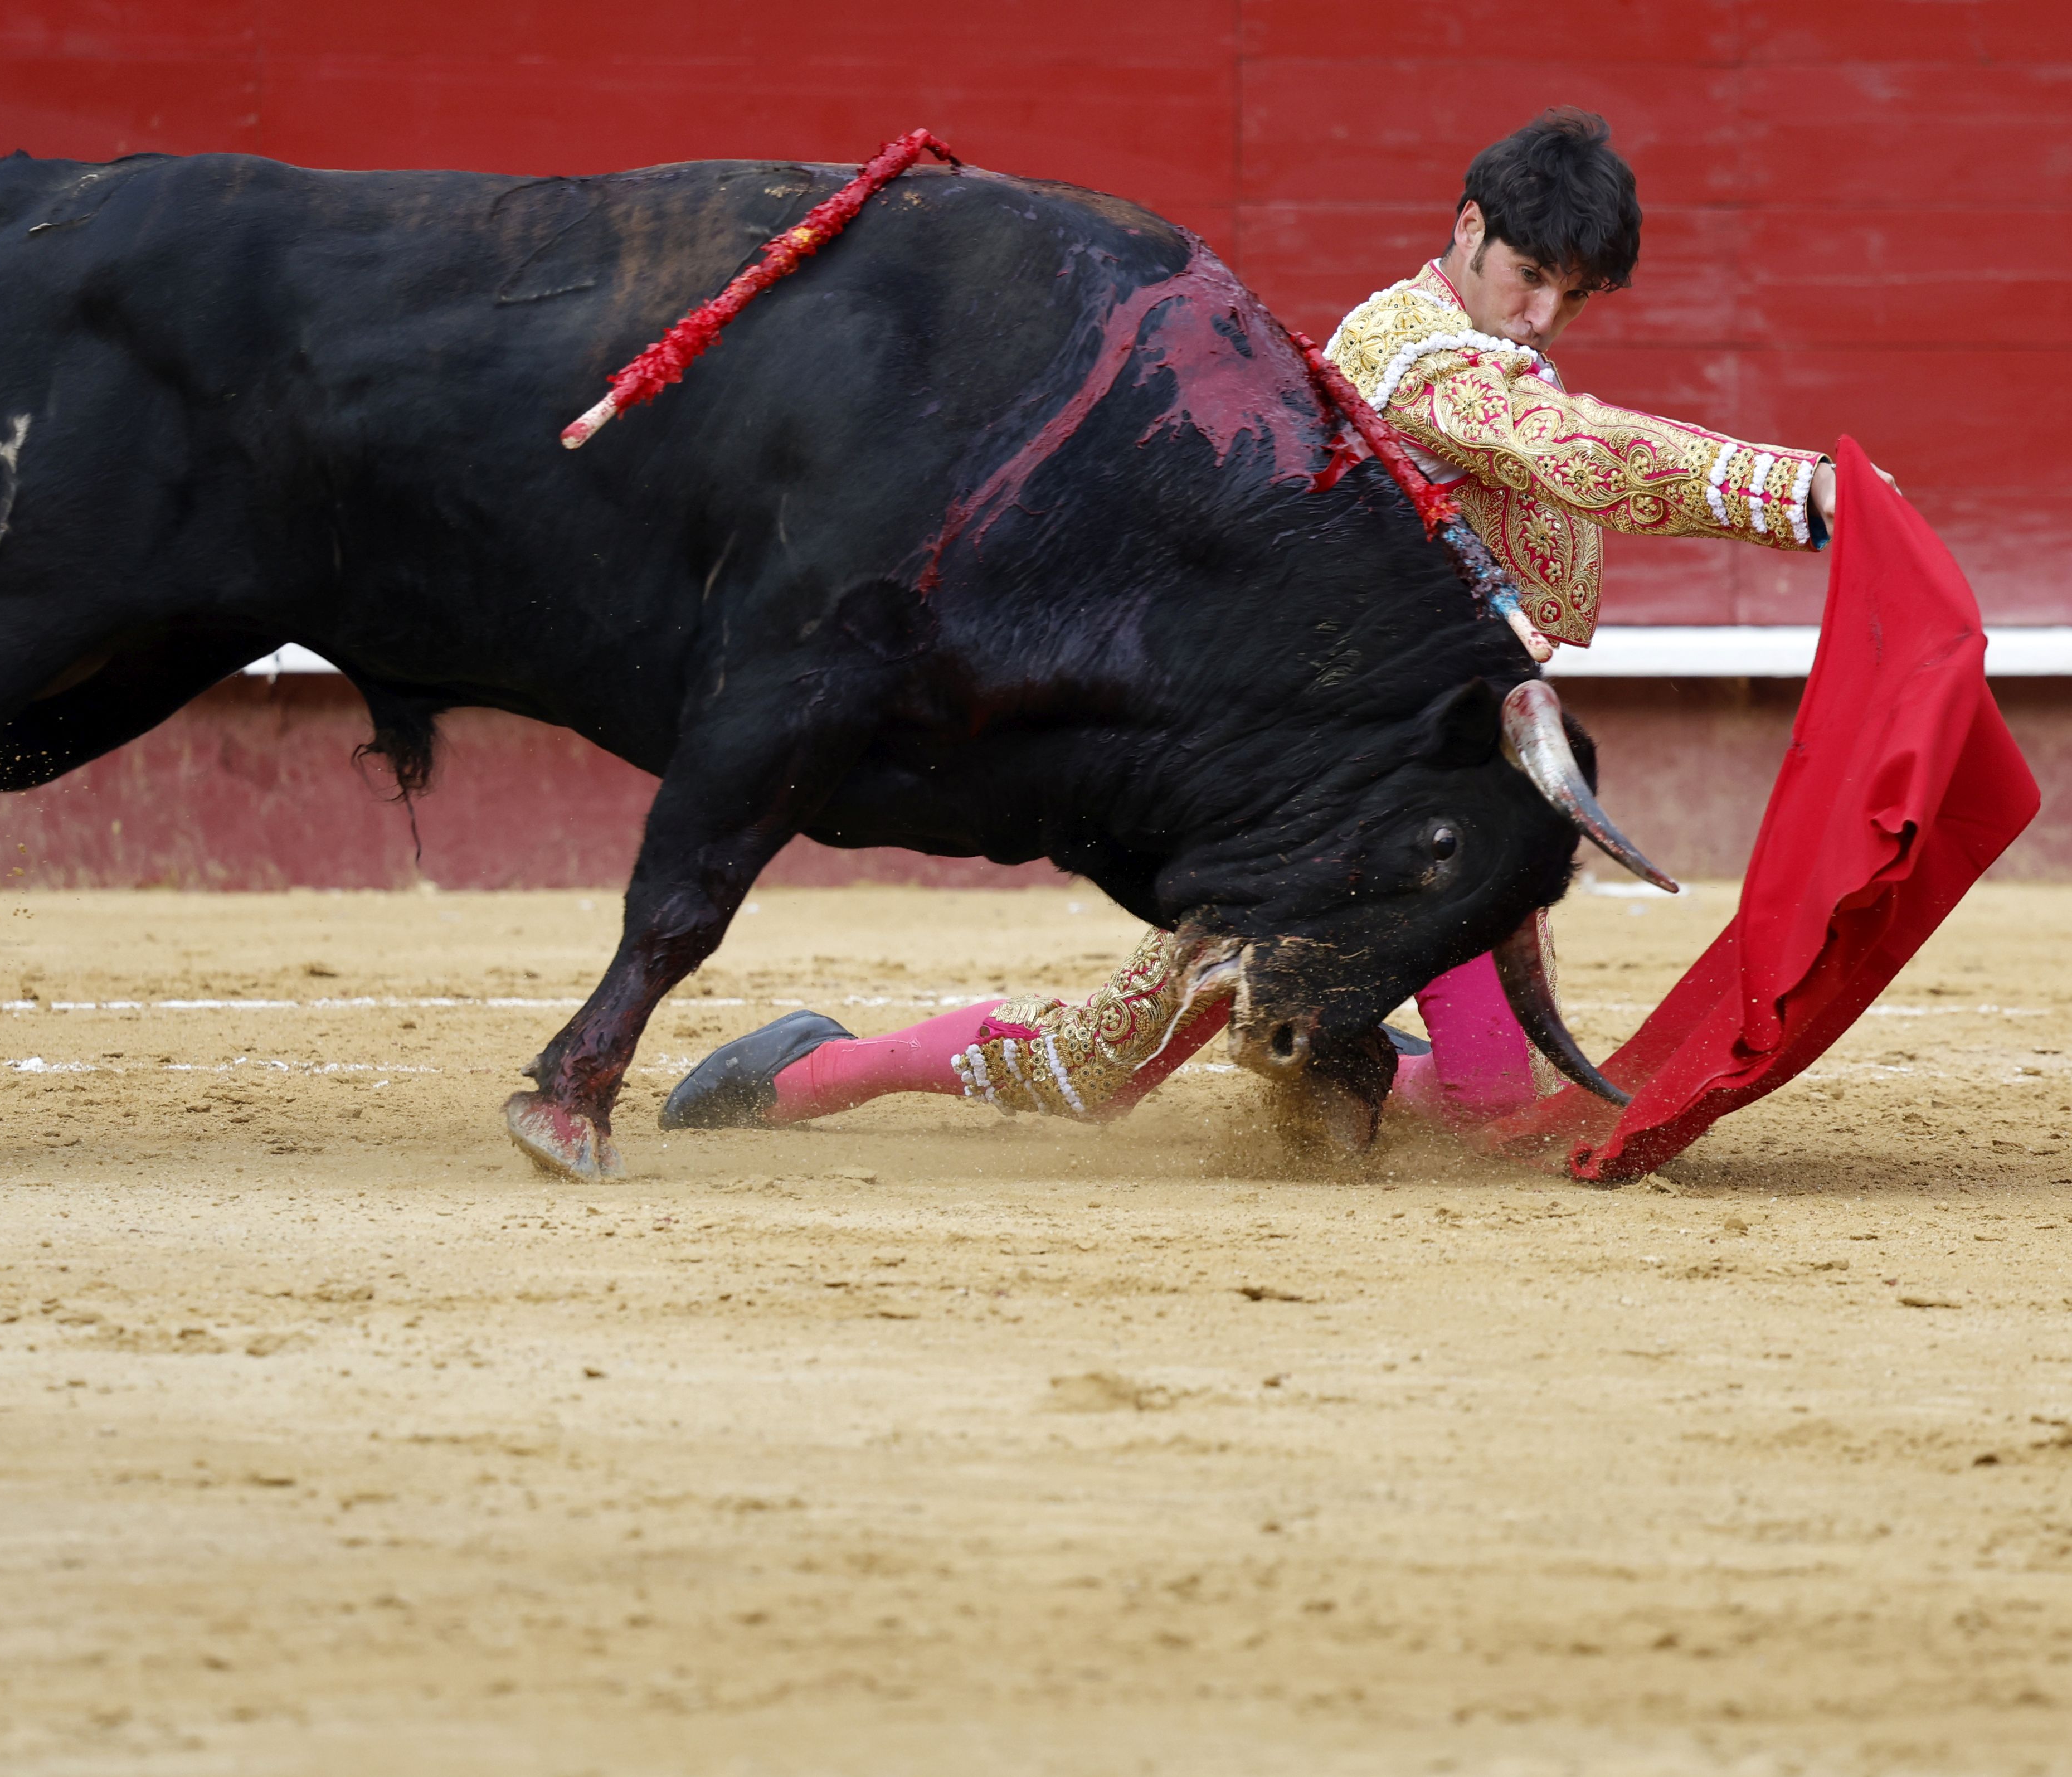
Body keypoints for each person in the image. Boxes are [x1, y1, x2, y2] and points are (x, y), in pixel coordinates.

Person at [663, 109, 1888, 1137]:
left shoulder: (1488, 351)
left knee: (1485, 1104)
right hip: (1330, 791)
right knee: (1103, 1069)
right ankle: (816, 1071)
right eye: (1529, 278)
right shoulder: (1414, 360)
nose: (1541, 318)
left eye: (1572, 296)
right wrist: (1794, 492)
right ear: (1467, 230)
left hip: (1434, 782)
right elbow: (1567, 449)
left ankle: (1330, 1044)